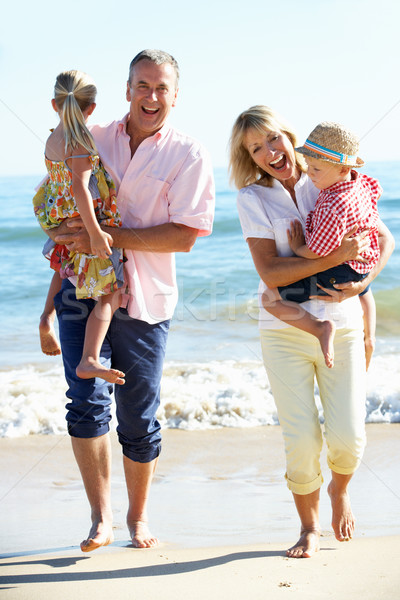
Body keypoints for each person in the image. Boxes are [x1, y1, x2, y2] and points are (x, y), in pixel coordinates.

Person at [40, 50, 215, 552]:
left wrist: (106, 236)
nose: (152, 97)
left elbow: (184, 236)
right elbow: (52, 199)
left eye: (162, 88)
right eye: (143, 85)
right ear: (126, 89)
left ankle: (138, 517)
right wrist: (64, 230)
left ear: (175, 95)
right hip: (84, 288)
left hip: (147, 301)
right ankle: (101, 519)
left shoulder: (190, 154)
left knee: (139, 414)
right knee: (84, 400)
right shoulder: (92, 139)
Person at [229, 105, 394, 558]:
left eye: (273, 139)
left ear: (290, 136)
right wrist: (329, 256)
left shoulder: (330, 177)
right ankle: (308, 527)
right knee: (300, 440)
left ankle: (340, 489)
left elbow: (383, 240)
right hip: (283, 332)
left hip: (342, 326)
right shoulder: (252, 199)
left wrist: (362, 283)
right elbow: (271, 273)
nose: (269, 152)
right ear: (250, 157)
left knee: (349, 437)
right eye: (255, 148)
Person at [261, 121, 381, 370]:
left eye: (316, 168)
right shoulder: (360, 183)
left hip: (341, 269)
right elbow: (375, 194)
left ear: (342, 169)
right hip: (362, 263)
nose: (310, 173)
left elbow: (318, 251)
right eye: (308, 165)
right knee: (361, 287)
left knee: (269, 298)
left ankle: (321, 327)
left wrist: (297, 247)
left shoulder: (331, 205)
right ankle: (370, 338)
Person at [33, 70, 126, 385]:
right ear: (92, 108)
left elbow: (60, 183)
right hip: (81, 219)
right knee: (111, 292)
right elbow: (79, 188)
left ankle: (46, 316)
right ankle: (89, 358)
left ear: (54, 105)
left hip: (58, 213)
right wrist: (97, 233)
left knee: (64, 267)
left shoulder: (54, 137)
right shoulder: (80, 140)